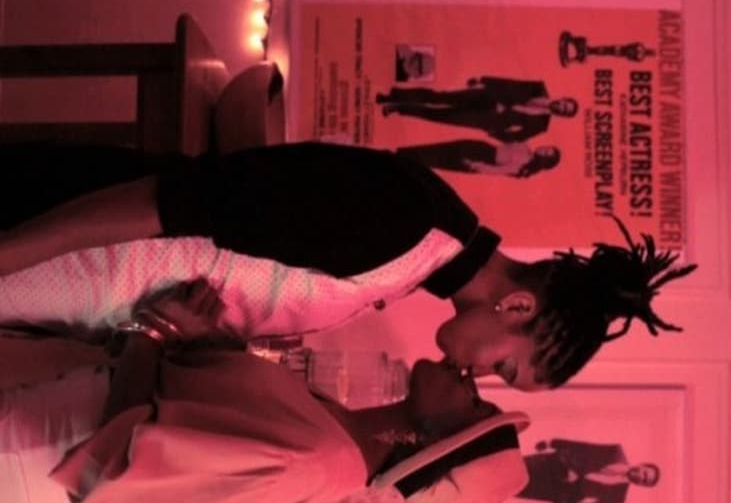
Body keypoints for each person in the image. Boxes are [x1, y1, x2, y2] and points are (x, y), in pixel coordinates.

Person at [0, 140, 695, 391]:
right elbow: (172, 200)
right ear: (517, 307)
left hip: (66, 283)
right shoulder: (401, 222)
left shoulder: (413, 261)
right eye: (505, 368)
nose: (481, 378)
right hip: (52, 229)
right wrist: (10, 254)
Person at [0, 281, 532, 503]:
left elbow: (112, 472)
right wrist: (205, 339)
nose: (471, 379)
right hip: (47, 423)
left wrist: (151, 334)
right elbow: (199, 406)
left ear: (432, 443)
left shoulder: (315, 461)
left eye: (476, 406)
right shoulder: (335, 434)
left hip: (30, 456)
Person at [377, 83, 578, 142]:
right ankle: (393, 95)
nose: (561, 108)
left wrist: (494, 131)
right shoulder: (538, 88)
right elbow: (509, 82)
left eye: (564, 111)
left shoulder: (541, 125)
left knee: (440, 116)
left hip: (485, 119)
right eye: (564, 104)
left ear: (562, 116)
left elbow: (517, 137)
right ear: (563, 98)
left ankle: (398, 108)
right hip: (484, 96)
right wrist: (484, 81)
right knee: (439, 97)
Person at [519, 438, 661, 503]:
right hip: (554, 464)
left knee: (513, 489)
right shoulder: (615, 451)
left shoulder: (619, 496)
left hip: (553, 491)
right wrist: (553, 443)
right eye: (644, 472)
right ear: (642, 464)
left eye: (644, 481)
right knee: (512, 466)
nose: (641, 477)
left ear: (641, 485)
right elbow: (584, 446)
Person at [396, 140, 561, 179]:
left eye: (547, 154)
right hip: (481, 147)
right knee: (439, 148)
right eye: (547, 148)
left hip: (481, 161)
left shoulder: (524, 166)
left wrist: (476, 166)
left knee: (437, 160)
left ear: (544, 161)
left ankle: (400, 159)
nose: (544, 149)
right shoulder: (525, 146)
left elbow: (498, 170)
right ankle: (401, 152)